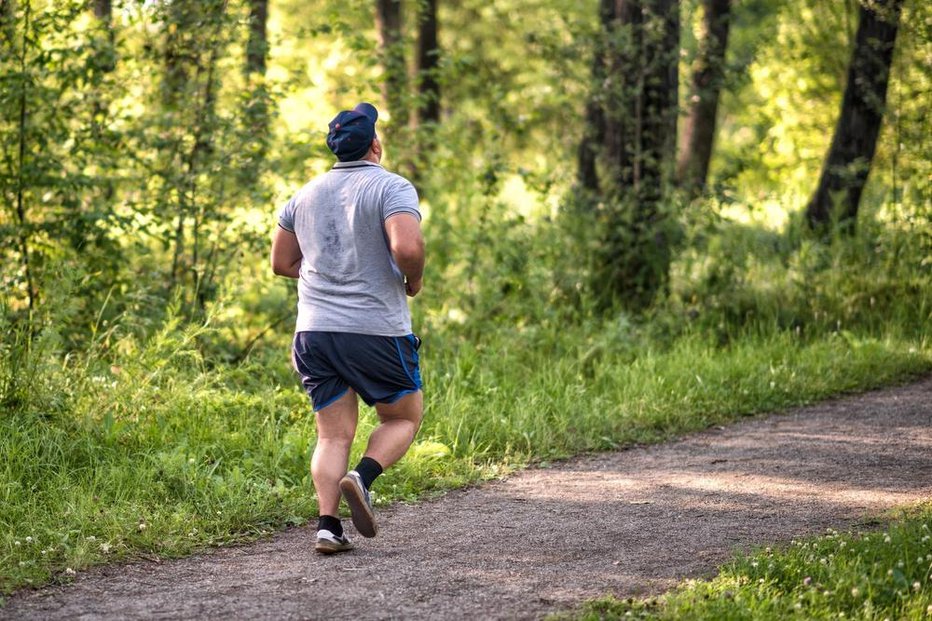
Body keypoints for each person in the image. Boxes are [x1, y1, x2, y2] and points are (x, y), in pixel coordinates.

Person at [270, 102, 425, 554]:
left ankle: (327, 527)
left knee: (331, 434)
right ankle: (363, 476)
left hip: (314, 333)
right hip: (374, 329)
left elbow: (281, 262)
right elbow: (408, 247)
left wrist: (326, 273)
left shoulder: (305, 194)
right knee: (403, 417)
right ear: (375, 144)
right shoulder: (391, 186)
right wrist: (412, 279)